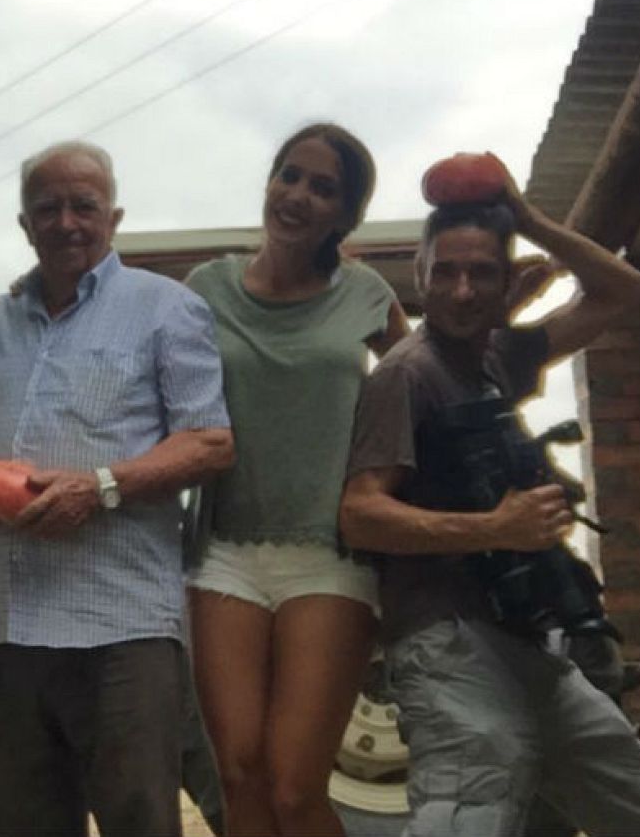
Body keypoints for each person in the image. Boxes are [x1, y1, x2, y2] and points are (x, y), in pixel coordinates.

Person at [338, 177, 640, 836]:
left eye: (482, 273)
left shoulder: (497, 355)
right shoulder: (407, 374)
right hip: (443, 640)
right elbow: (360, 512)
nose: (463, 291)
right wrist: (494, 528)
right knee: (475, 788)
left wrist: (526, 216)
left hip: (525, 642)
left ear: (505, 279)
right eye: (447, 272)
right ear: (421, 275)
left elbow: (620, 290)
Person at [0, 140, 235, 835]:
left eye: (83, 206)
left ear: (114, 215)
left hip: (121, 625)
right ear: (24, 224)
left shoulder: (165, 308)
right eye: (47, 208)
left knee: (137, 819)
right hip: (10, 626)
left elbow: (211, 441)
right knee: (20, 824)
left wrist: (99, 487)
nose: (66, 221)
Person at [184, 123, 406, 836]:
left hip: (329, 556)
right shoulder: (205, 290)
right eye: (289, 176)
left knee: (291, 786)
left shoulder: (367, 295)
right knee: (239, 773)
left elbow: (423, 393)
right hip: (224, 552)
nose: (298, 196)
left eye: (323, 188)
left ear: (344, 214)